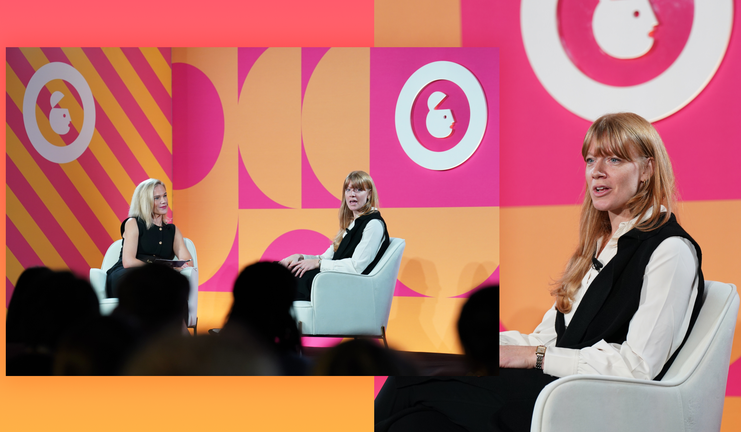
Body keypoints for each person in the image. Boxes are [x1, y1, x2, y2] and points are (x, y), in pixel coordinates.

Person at [375, 112, 704, 432]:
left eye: (614, 160)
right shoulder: (601, 247)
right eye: (590, 160)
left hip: (587, 402)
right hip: (554, 387)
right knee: (415, 421)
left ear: (647, 169)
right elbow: (547, 338)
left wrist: (534, 356)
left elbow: (637, 368)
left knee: (410, 382)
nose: (597, 172)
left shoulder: (670, 250)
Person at [279, 170, 391, 301]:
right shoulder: (352, 225)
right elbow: (325, 258)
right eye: (348, 190)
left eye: (358, 190)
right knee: (277, 271)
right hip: (329, 279)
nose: (352, 194)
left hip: (340, 286)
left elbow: (356, 267)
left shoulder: (373, 224)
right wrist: (300, 257)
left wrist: (319, 264)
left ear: (369, 194)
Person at [105, 178, 193, 298]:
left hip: (158, 276)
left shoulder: (172, 231)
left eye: (165, 196)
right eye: (157, 198)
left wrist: (175, 268)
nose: (164, 201)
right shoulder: (133, 223)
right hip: (129, 274)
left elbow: (188, 262)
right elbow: (128, 262)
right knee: (148, 284)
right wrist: (161, 268)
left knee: (171, 283)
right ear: (144, 202)